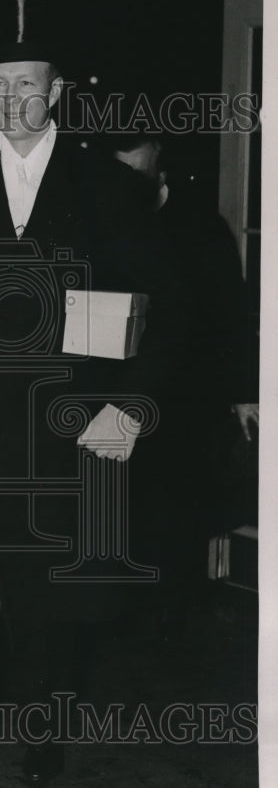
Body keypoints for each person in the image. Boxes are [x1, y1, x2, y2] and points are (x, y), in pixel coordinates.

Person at [0, 39, 173, 788]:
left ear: (55, 92)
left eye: (26, 83)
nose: (10, 97)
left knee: (44, 602)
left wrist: (127, 410)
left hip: (69, 427)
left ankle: (42, 729)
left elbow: (166, 312)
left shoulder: (112, 188)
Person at [110, 132, 259, 623]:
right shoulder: (100, 222)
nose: (128, 183)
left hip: (185, 398)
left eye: (138, 173)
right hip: (121, 391)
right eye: (119, 173)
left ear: (162, 172)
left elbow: (232, 314)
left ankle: (174, 618)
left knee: (177, 518)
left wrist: (242, 393)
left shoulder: (200, 227)